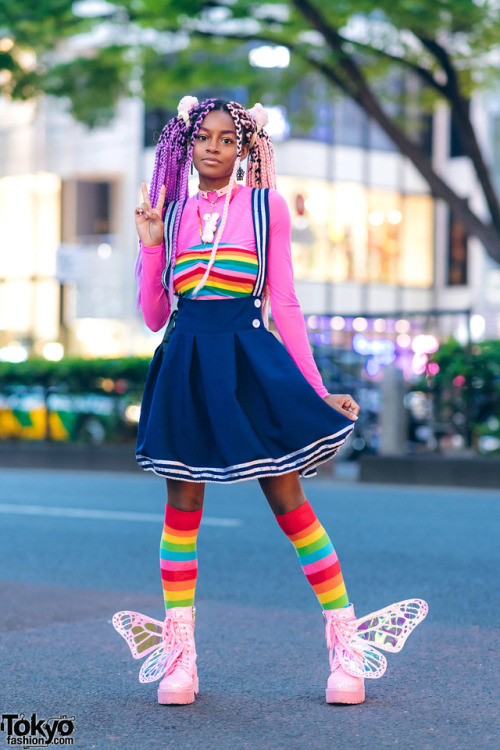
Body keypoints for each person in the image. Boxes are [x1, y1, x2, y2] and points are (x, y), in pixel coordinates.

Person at [112, 96, 427, 707]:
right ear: (185, 144)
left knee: (289, 499)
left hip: (249, 361)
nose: (213, 147)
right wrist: (151, 246)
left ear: (244, 149)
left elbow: (283, 302)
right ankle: (181, 659)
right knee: (182, 505)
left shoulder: (266, 207)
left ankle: (346, 649)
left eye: (227, 139)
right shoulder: (170, 212)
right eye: (202, 136)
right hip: (186, 361)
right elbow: (154, 316)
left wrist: (313, 389)